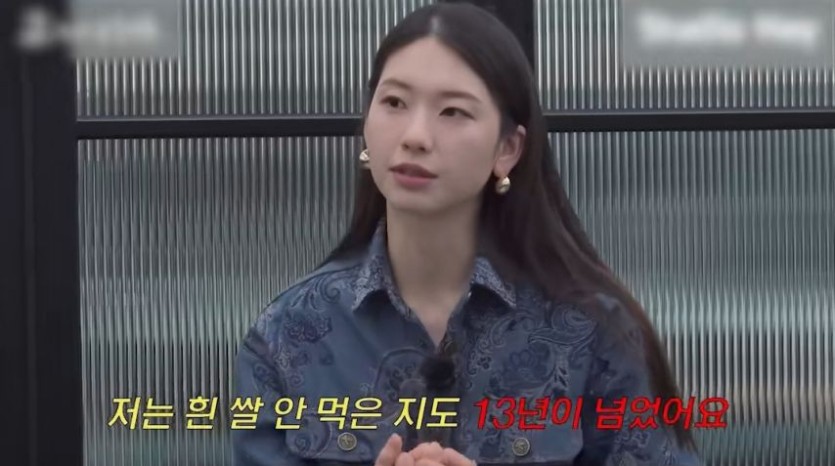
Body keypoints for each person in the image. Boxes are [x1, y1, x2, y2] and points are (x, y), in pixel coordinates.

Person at [233, 3, 701, 465]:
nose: (415, 136)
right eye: (394, 103)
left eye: (453, 111)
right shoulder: (288, 334)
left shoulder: (590, 332)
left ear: (507, 148)